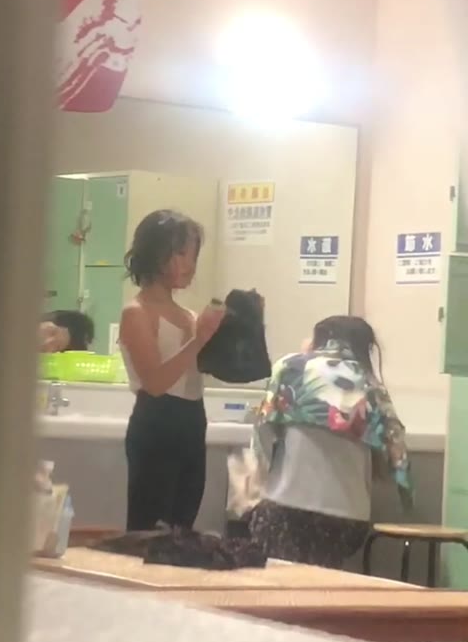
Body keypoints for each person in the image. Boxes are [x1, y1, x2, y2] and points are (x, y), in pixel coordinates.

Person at [246, 315, 413, 569]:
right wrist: (408, 502)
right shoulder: (371, 385)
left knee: (278, 576)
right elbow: (398, 456)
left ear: (322, 338)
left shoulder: (290, 368)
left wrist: (249, 494)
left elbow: (262, 437)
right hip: (347, 519)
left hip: (287, 508)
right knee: (324, 580)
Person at [119, 209, 225, 532]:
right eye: (180, 253)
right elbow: (154, 383)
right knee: (148, 531)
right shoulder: (136, 312)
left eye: (193, 255)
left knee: (182, 528)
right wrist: (199, 339)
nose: (189, 264)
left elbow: (213, 368)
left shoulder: (190, 316)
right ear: (155, 252)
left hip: (193, 421)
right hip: (156, 421)